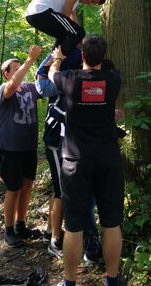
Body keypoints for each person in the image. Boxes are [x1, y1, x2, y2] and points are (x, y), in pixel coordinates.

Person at [48, 35, 126, 286]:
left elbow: (51, 75)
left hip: (75, 161)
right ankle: (112, 280)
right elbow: (100, 100)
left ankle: (70, 283)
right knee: (111, 223)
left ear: (82, 56)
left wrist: (57, 59)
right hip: (107, 158)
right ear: (103, 57)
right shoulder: (114, 79)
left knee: (73, 226)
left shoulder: (69, 79)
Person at [0, 45, 43, 248]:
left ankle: (20, 225)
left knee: (26, 186)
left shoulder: (31, 88)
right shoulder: (4, 89)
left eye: (20, 66)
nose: (19, 70)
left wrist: (54, 57)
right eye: (15, 68)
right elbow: (13, 85)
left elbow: (45, 80)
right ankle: (8, 231)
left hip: (28, 146)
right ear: (6, 74)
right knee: (13, 188)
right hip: (9, 147)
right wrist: (29, 60)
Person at [25, 0, 106, 56]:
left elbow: (73, 20)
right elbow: (66, 14)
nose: (90, 4)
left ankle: (48, 65)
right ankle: (55, 60)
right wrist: (78, 38)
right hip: (41, 11)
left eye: (93, 4)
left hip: (32, 16)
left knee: (63, 37)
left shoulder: (75, 0)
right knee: (80, 32)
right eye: (92, 0)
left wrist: (79, 41)